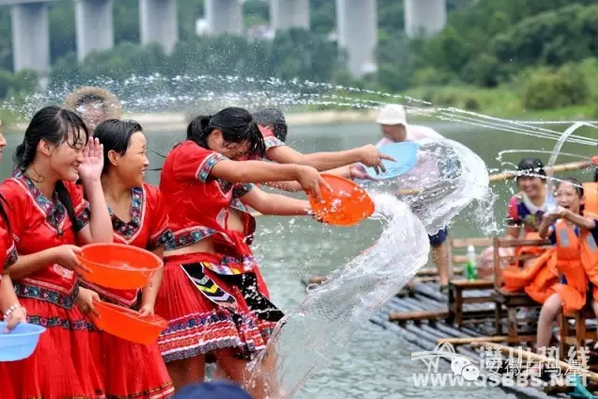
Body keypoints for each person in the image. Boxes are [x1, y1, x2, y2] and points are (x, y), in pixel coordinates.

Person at [154, 107, 327, 396]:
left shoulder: (224, 168)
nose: (238, 158)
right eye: (236, 152)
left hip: (215, 273)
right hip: (185, 274)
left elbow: (264, 202)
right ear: (217, 135)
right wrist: (296, 169)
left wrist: (313, 209)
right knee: (191, 382)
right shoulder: (188, 154)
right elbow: (239, 170)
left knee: (246, 363)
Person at [0, 105, 113, 398]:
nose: (80, 156)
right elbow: (5, 268)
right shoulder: (12, 194)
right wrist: (55, 254)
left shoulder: (68, 191)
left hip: (68, 317)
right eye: (74, 147)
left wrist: (92, 180)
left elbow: (102, 247)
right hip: (30, 318)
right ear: (46, 146)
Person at [87, 119, 175, 398]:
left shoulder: (153, 198)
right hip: (88, 319)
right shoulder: (79, 196)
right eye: (141, 153)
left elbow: (156, 259)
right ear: (114, 157)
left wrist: (148, 304)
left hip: (131, 320)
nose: (147, 161)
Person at [374, 104, 450, 289]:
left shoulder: (424, 135)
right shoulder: (383, 147)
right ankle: (407, 282)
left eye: (387, 125)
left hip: (432, 194)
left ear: (399, 124)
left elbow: (448, 150)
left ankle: (444, 280)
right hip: (406, 197)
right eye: (382, 124)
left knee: (437, 239)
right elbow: (375, 173)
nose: (383, 129)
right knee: (407, 239)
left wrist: (448, 178)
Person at [536, 178, 598, 351]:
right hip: (571, 286)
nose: (563, 198)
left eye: (569, 194)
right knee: (547, 309)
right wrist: (546, 222)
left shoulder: (592, 221)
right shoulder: (559, 227)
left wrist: (565, 214)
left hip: (595, 285)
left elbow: (586, 224)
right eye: (559, 194)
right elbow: (542, 235)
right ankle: (539, 360)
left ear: (582, 200)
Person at [252, 108, 391, 179]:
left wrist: (347, 170)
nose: (268, 156)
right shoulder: (261, 135)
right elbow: (302, 162)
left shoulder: (246, 158)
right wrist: (359, 154)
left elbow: (292, 182)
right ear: (270, 129)